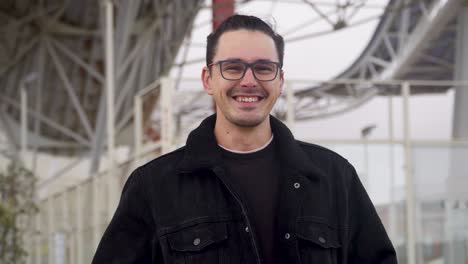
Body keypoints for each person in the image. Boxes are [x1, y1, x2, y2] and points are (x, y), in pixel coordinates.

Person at [92, 14, 397, 264]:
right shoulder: (153, 187)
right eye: (233, 67)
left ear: (279, 81)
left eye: (264, 68)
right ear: (208, 79)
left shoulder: (335, 178)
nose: (249, 81)